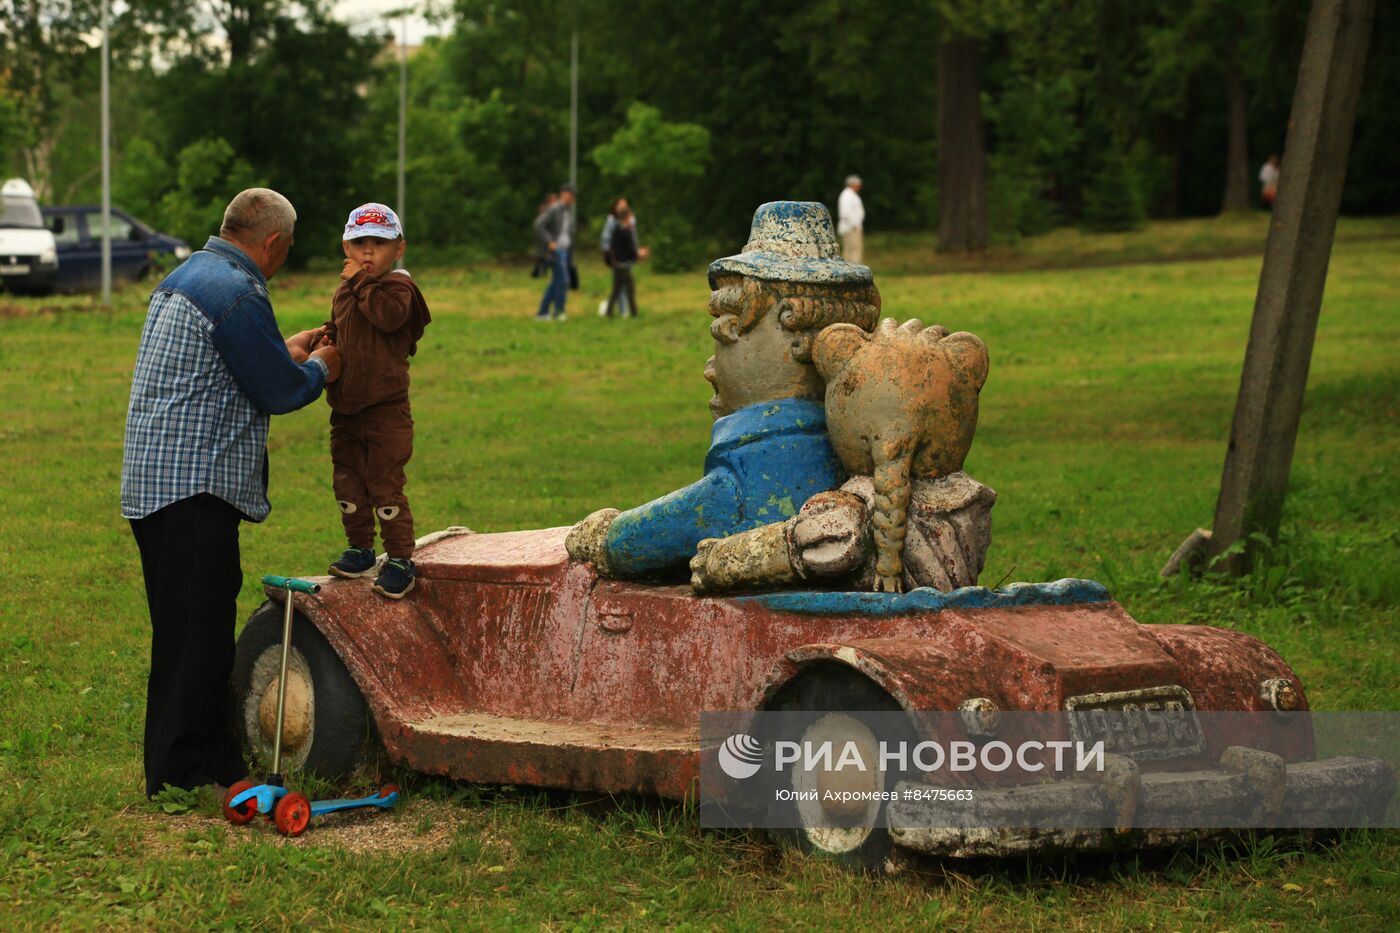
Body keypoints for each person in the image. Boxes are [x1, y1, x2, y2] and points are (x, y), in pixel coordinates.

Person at [121, 188, 341, 799]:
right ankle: (190, 771)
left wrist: (287, 351)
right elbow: (279, 390)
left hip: (156, 483)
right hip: (194, 489)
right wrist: (324, 366)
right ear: (272, 242)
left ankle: (193, 763)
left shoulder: (189, 276)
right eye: (287, 248)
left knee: (181, 633)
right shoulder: (239, 291)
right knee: (201, 638)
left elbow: (233, 369)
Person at [566, 201, 879, 578]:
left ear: (790, 333)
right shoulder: (850, 432)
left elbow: (707, 511)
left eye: (727, 337)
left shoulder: (774, 446)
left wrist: (609, 538)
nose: (711, 368)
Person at [310, 203, 432, 599]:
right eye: (360, 242)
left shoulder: (399, 288)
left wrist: (360, 283)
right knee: (347, 482)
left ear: (398, 249)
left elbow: (387, 317)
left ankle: (399, 558)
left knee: (384, 485)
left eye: (378, 244)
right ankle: (360, 548)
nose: (368, 251)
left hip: (385, 410)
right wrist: (326, 337)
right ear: (346, 247)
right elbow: (343, 324)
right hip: (346, 409)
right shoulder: (346, 289)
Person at [535, 182, 576, 321]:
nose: (573, 198)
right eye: (571, 195)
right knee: (563, 281)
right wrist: (549, 241)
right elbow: (539, 225)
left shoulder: (568, 211)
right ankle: (559, 311)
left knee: (557, 281)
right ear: (564, 194)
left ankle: (542, 312)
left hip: (565, 250)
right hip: (556, 251)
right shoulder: (554, 208)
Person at [604, 207, 641, 318]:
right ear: (627, 218)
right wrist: (638, 255)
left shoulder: (616, 230)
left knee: (616, 290)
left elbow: (613, 246)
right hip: (624, 265)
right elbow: (630, 250)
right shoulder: (627, 232)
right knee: (630, 288)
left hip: (617, 264)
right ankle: (634, 312)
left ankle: (609, 312)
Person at [837, 174, 865, 263]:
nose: (859, 187)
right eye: (857, 185)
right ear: (852, 184)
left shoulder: (851, 195)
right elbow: (846, 213)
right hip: (851, 228)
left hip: (853, 227)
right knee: (853, 250)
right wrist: (855, 225)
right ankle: (855, 269)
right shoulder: (847, 195)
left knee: (851, 250)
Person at [531, 192, 558, 278]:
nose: (556, 201)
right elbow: (539, 224)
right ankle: (538, 273)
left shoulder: (554, 210)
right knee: (542, 256)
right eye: (554, 200)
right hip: (544, 237)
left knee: (545, 256)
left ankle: (539, 272)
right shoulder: (546, 210)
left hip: (549, 236)